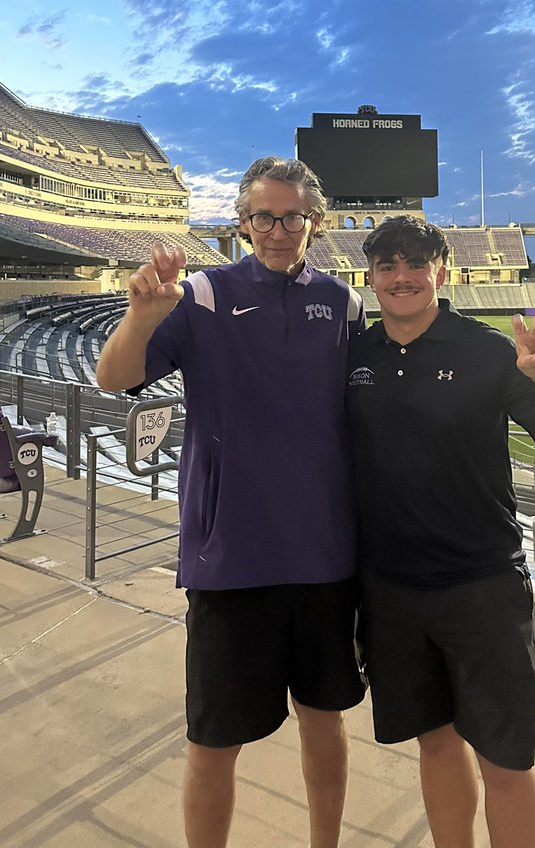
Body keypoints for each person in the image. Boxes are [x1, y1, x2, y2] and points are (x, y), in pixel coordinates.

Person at [96, 156, 366, 848]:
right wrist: (139, 316)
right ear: (242, 223)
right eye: (264, 217)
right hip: (230, 560)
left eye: (292, 216)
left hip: (324, 558)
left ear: (314, 222)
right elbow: (113, 377)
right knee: (212, 743)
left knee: (324, 722)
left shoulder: (342, 302)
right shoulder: (201, 296)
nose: (278, 230)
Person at [345, 216, 535, 848]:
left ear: (442, 271)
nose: (402, 276)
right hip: (391, 591)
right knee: (435, 742)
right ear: (371, 276)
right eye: (388, 264)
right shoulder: (355, 354)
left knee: (506, 760)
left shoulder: (487, 351)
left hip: (481, 585)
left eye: (416, 262)